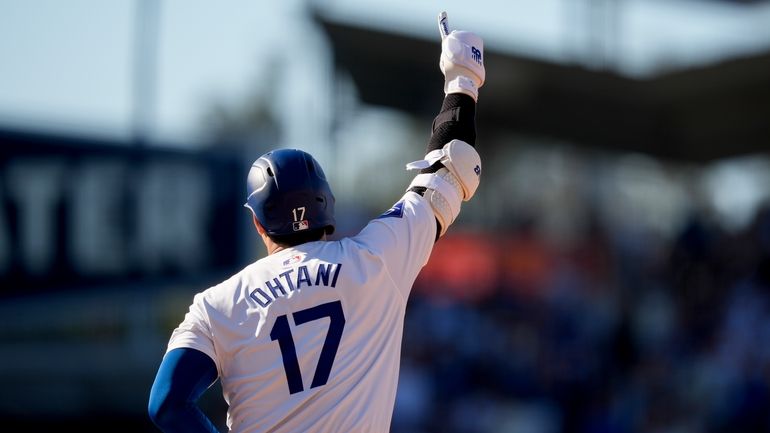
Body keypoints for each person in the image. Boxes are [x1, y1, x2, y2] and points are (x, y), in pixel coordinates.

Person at [148, 11, 485, 433]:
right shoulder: (376, 259)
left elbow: (166, 403)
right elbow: (452, 169)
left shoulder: (217, 306)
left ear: (258, 223)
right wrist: (463, 79)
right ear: (327, 208)